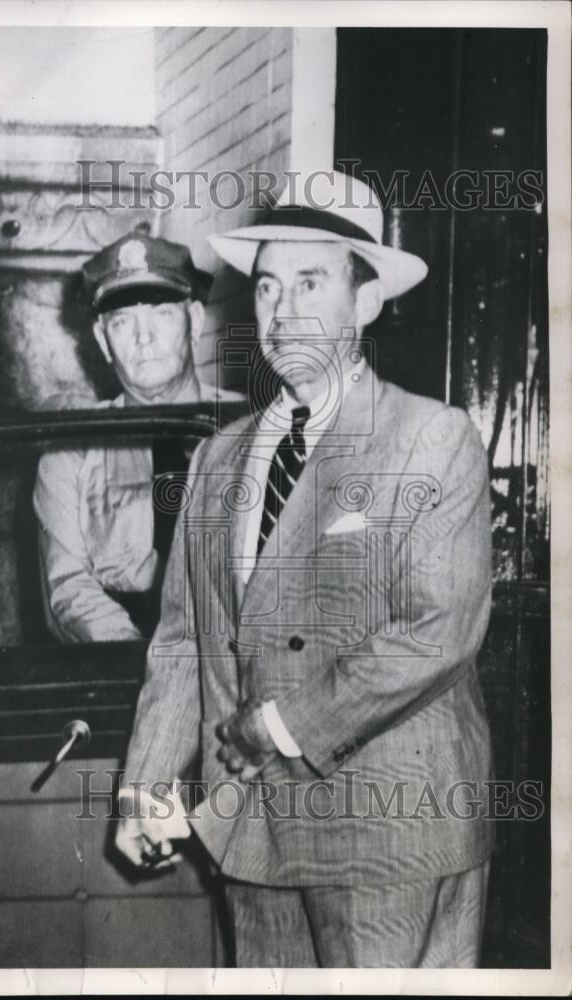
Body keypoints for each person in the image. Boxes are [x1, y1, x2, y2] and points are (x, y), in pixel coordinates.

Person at [115, 171, 494, 967]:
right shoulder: (215, 460)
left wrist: (282, 725)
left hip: (388, 831)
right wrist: (145, 787)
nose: (282, 311)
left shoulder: (430, 438)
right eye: (266, 286)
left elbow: (436, 631)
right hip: (251, 833)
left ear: (365, 302)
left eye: (310, 282)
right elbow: (182, 640)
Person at [33, 231, 243, 643]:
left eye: (161, 313)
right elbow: (68, 588)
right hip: (123, 660)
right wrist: (150, 667)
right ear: (102, 339)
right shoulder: (72, 450)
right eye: (122, 321)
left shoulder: (251, 426)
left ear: (195, 321)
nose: (143, 337)